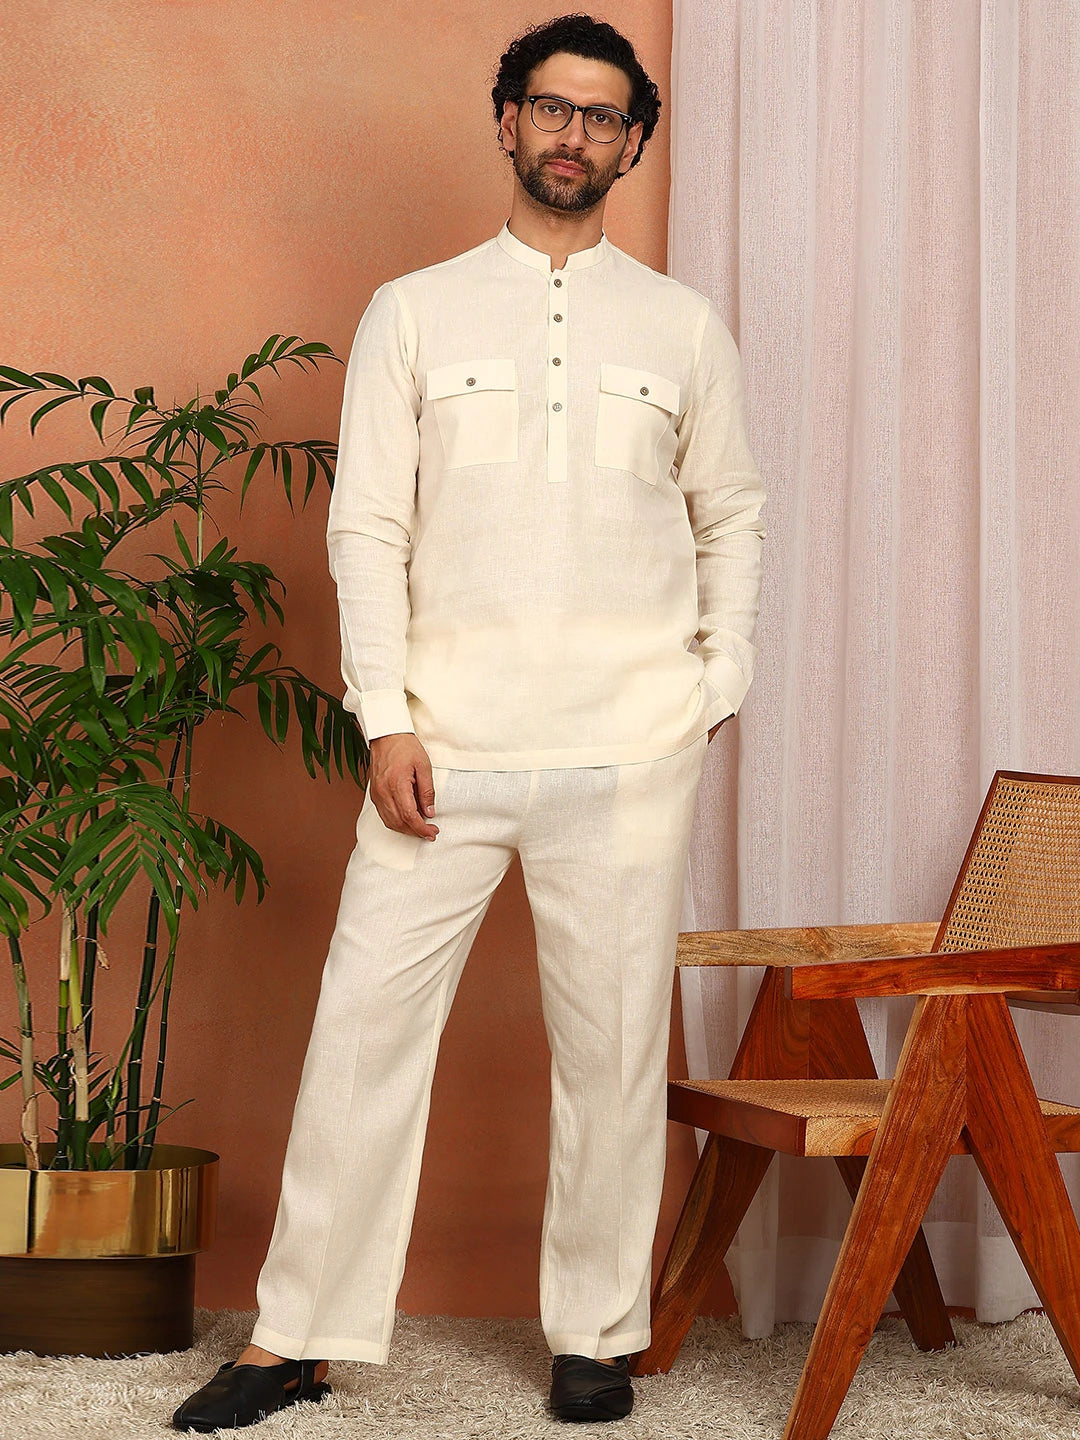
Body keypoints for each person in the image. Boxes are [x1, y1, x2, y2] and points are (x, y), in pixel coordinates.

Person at [172, 12, 765, 1433]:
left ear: (633, 142)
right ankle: (298, 1334)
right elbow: (368, 525)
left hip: (628, 749)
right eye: (551, 107)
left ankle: (596, 1334)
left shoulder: (682, 326)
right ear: (507, 121)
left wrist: (715, 683)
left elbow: (732, 511)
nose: (574, 133)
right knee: (362, 1033)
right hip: (442, 747)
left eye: (603, 115)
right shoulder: (416, 311)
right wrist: (386, 718)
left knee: (611, 1054)